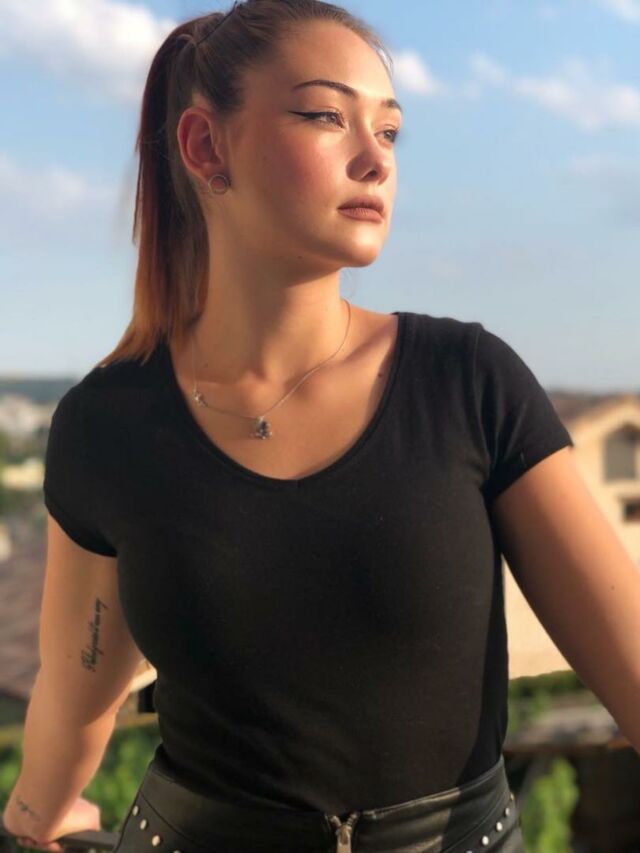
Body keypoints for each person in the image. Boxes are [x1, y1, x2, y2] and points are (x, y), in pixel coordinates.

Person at [4, 1, 640, 851]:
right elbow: (76, 689)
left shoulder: (468, 382)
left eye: (390, 130)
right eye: (326, 116)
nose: (376, 158)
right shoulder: (107, 425)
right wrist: (31, 820)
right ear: (205, 146)